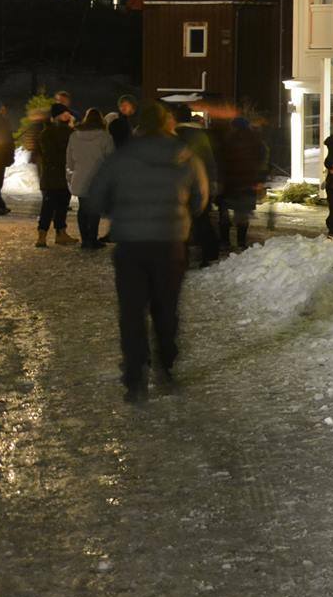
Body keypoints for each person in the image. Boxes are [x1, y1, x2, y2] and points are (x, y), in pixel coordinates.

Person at [85, 102, 208, 403]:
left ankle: (135, 376)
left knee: (132, 311)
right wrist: (181, 216)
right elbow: (200, 198)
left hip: (131, 245)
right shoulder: (185, 156)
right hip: (170, 243)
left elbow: (95, 197)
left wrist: (119, 212)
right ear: (167, 124)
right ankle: (166, 365)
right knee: (166, 307)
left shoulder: (122, 156)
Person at [173, 107, 222, 266]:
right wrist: (212, 181)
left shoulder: (177, 136)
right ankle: (210, 254)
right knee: (202, 220)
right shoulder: (200, 134)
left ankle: (183, 258)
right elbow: (209, 160)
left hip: (184, 185)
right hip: (202, 184)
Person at [217, 113, 268, 250]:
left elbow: (220, 162)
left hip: (229, 184)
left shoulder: (226, 140)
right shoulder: (256, 141)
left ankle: (225, 241)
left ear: (233, 127)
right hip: (248, 184)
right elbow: (263, 161)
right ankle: (241, 242)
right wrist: (260, 179)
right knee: (243, 215)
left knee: (224, 215)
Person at [67, 108, 115, 249]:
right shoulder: (105, 137)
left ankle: (85, 239)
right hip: (98, 178)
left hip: (80, 176)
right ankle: (92, 239)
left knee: (83, 208)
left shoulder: (74, 136)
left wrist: (72, 171)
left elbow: (69, 159)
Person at [34, 103, 74, 248]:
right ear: (57, 115)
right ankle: (42, 235)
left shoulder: (69, 131)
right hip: (53, 175)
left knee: (62, 205)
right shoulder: (48, 133)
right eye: (64, 113)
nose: (68, 115)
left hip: (62, 175)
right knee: (48, 206)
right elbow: (48, 155)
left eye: (68, 113)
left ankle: (61, 233)